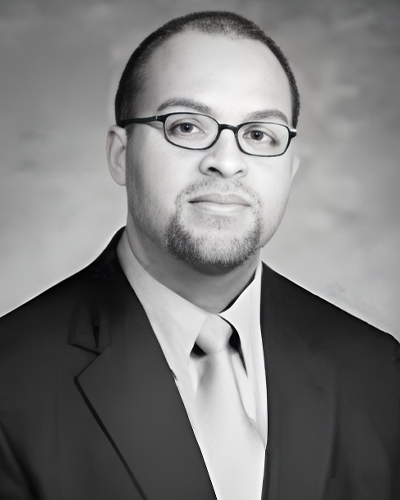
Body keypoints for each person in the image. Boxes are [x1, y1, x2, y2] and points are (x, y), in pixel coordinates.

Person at [0, 10, 399, 500]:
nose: (227, 162)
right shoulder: (11, 381)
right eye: (186, 126)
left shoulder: (379, 373)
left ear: (289, 171)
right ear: (120, 156)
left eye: (259, 135)